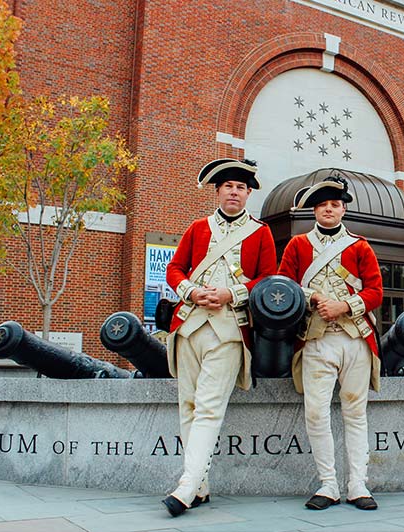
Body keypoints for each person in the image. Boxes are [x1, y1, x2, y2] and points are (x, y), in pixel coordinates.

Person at [161, 158, 277, 517]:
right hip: (189, 325)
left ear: (247, 195)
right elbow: (174, 268)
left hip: (228, 328)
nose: (234, 192)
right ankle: (201, 485)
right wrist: (192, 293)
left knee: (209, 408)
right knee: (189, 408)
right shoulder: (198, 228)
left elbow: (268, 278)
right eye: (228, 186)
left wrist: (232, 294)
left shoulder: (260, 232)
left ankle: (185, 486)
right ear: (218, 191)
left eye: (241, 188)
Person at [277, 176, 383, 511]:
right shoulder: (297, 245)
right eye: (323, 205)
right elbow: (284, 287)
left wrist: (345, 306)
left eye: (334, 205)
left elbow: (375, 292)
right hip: (315, 339)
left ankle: (358, 484)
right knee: (316, 414)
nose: (328, 210)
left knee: (356, 413)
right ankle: (327, 484)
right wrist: (315, 296)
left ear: (343, 209)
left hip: (354, 339)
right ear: (315, 210)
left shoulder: (360, 246)